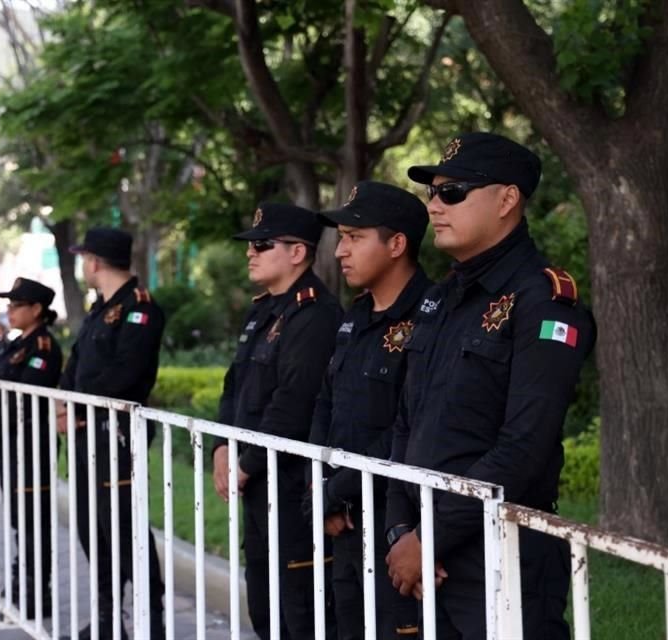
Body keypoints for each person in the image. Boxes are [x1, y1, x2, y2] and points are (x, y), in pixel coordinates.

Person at [384, 132, 596, 640]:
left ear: (507, 200)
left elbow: (524, 444)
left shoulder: (542, 302)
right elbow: (405, 422)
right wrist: (400, 532)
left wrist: (429, 538)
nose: (434, 206)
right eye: (431, 193)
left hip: (501, 554)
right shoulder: (441, 300)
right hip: (424, 559)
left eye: (452, 192)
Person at [212, 203, 342, 640]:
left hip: (289, 488)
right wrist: (222, 448)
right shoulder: (264, 310)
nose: (251, 253)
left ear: (298, 253)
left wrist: (245, 464)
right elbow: (235, 385)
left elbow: (294, 402)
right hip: (257, 482)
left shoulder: (315, 314)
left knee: (300, 612)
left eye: (263, 245)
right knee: (264, 607)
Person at [308, 181, 432, 639]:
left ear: (397, 244)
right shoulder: (354, 316)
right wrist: (324, 491)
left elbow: (411, 423)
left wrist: (336, 489)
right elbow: (325, 404)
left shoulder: (429, 318)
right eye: (341, 238)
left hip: (396, 528)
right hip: (345, 522)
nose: (341, 251)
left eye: (355, 237)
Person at [56, 227, 166, 640]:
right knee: (92, 530)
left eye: (84, 258)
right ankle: (107, 622)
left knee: (125, 532)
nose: (84, 264)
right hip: (87, 437)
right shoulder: (99, 309)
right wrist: (65, 403)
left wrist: (80, 402)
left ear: (95, 261)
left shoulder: (140, 308)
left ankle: (152, 621)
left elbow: (127, 372)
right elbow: (76, 364)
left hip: (118, 437)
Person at [0, 277, 63, 620]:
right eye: (9, 305)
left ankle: (38, 590)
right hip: (11, 441)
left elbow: (29, 389)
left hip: (31, 443)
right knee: (21, 517)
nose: (10, 311)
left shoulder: (44, 347)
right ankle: (23, 581)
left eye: (16, 305)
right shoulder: (16, 343)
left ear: (36, 310)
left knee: (34, 518)